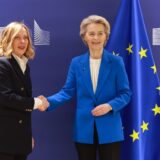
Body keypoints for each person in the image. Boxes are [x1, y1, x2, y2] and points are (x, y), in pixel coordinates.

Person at [46, 15, 131, 160]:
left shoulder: (116, 62)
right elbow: (67, 91)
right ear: (84, 37)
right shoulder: (76, 63)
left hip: (110, 129)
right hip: (84, 129)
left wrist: (110, 106)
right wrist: (48, 102)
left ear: (106, 37)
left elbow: (125, 93)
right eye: (91, 34)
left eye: (100, 33)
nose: (96, 38)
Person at [0, 22, 49, 160]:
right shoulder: (2, 63)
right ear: (8, 40)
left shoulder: (24, 65)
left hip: (19, 141)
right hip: (4, 142)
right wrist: (37, 102)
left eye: (25, 37)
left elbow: (21, 110)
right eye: (17, 37)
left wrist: (25, 136)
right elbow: (6, 98)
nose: (22, 41)